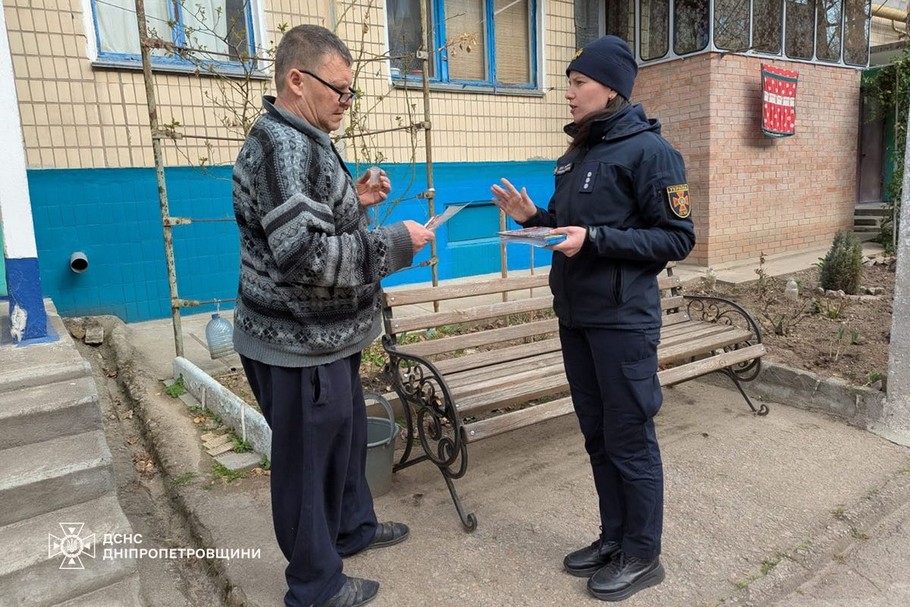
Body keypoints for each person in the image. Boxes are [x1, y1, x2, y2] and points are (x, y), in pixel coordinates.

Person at [232, 24, 435, 607]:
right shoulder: (280, 146)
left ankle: (352, 530)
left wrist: (356, 196)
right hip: (296, 342)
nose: (348, 102)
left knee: (343, 445)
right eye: (340, 90)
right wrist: (393, 241)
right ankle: (315, 585)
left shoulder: (306, 134)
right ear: (297, 81)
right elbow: (305, 257)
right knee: (307, 467)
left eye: (352, 92)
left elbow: (310, 214)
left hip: (330, 336)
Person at [491, 35, 695, 602]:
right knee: (598, 436)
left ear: (611, 88)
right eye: (569, 82)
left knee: (630, 438)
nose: (568, 93)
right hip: (577, 317)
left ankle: (643, 553)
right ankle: (613, 538)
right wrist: (536, 216)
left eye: (578, 83)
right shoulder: (577, 153)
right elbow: (570, 227)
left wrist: (598, 239)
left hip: (623, 322)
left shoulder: (652, 153)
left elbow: (677, 237)